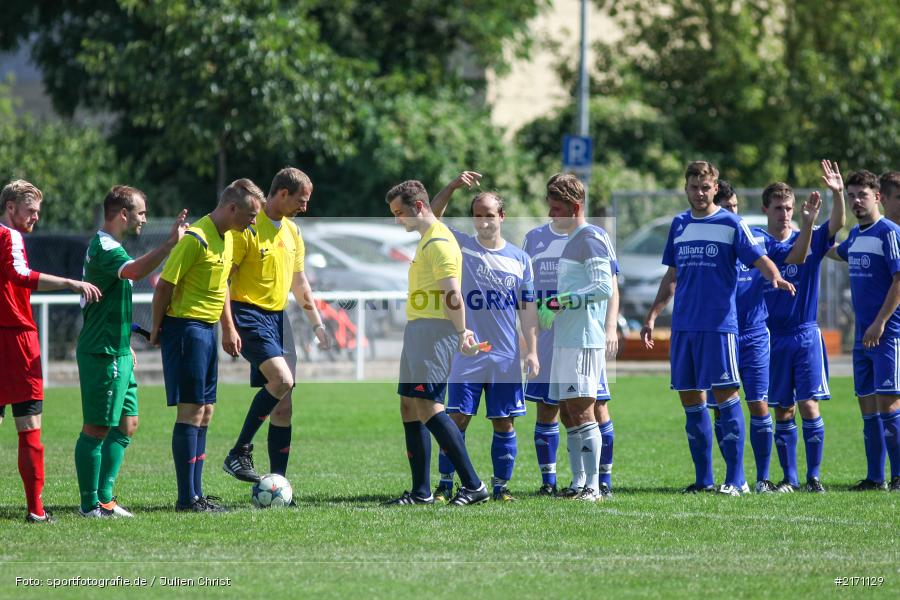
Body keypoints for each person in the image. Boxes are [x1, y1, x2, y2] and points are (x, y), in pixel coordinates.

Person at [641, 162, 795, 496]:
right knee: (690, 399)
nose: (699, 193)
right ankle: (704, 480)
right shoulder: (679, 224)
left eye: (705, 187)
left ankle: (736, 480)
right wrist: (653, 315)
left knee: (726, 396)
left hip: (719, 326)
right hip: (684, 326)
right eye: (694, 187)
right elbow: (672, 275)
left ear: (714, 188)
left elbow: (758, 257)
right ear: (686, 188)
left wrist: (775, 277)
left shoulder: (730, 223)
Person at [150, 179, 262, 512]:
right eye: (251, 215)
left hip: (207, 330)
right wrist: (156, 329)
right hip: (187, 329)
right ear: (232, 208)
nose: (253, 222)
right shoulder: (195, 239)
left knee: (206, 411)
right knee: (191, 410)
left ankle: (197, 494)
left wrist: (228, 327)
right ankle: (187, 499)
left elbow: (223, 283)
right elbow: (164, 286)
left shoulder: (229, 237)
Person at [75, 186, 187, 518]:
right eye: (141, 212)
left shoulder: (114, 246)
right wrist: (169, 244)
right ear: (123, 214)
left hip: (119, 349)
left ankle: (106, 500)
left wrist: (126, 342)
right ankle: (89, 505)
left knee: (128, 424)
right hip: (103, 351)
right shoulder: (105, 248)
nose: (144, 219)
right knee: (96, 428)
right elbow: (136, 272)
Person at [427, 171, 539, 502]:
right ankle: (445, 484)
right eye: (477, 215)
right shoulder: (462, 247)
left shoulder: (521, 259)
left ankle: (501, 488)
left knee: (504, 422)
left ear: (502, 216)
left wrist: (532, 351)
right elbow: (431, 217)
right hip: (467, 353)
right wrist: (452, 186)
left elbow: (527, 310)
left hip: (505, 356)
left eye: (489, 215)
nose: (483, 221)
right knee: (456, 419)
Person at [0, 180, 102, 523]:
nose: (36, 218)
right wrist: (70, 282)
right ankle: (36, 510)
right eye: (30, 210)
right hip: (16, 338)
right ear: (10, 207)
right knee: (29, 426)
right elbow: (20, 274)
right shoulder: (9, 236)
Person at [220, 167, 329, 484]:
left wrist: (317, 324)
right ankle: (239, 451)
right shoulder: (248, 227)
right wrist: (228, 326)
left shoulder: (293, 231)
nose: (305, 207)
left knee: (284, 406)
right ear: (282, 193)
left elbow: (300, 281)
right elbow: (224, 280)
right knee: (281, 380)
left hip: (279, 319)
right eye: (301, 200)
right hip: (248, 314)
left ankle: (278, 485)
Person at [385, 179, 489, 506]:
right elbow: (434, 208)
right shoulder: (430, 232)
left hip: (434, 332)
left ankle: (474, 485)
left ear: (417, 207)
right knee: (409, 405)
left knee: (429, 407)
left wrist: (462, 333)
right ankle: (421, 492)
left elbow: (452, 294)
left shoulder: (439, 242)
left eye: (399, 213)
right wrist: (454, 185)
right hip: (418, 330)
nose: (397, 220)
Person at [522, 191, 621, 498]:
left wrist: (561, 300)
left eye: (557, 209)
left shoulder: (590, 238)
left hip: (583, 339)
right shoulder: (572, 240)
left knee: (583, 410)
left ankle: (593, 486)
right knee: (567, 411)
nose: (551, 215)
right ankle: (578, 483)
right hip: (566, 339)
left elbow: (603, 286)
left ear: (575, 207)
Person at [756, 162, 845, 494]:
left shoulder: (808, 235)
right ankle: (789, 478)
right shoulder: (760, 246)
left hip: (805, 334)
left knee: (809, 404)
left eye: (789, 208)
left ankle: (814, 477)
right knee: (783, 407)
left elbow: (837, 223)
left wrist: (838, 194)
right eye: (778, 208)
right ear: (765, 210)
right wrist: (807, 225)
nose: (784, 214)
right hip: (773, 337)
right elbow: (795, 257)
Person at [830, 169, 900, 492]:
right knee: (868, 409)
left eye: (863, 195)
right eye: (852, 196)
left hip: (887, 335)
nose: (857, 201)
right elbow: (834, 250)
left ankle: (898, 476)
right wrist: (806, 234)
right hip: (863, 338)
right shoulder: (856, 236)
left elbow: (899, 281)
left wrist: (881, 321)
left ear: (878, 197)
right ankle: (875, 478)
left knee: (889, 406)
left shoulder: (889, 233)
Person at [708, 180, 776, 493]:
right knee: (721, 407)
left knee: (759, 404)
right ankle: (735, 478)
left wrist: (806, 224)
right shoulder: (711, 242)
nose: (734, 213)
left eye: (736, 207)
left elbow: (792, 254)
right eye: (727, 208)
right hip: (722, 334)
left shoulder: (756, 237)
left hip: (755, 333)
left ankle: (763, 478)